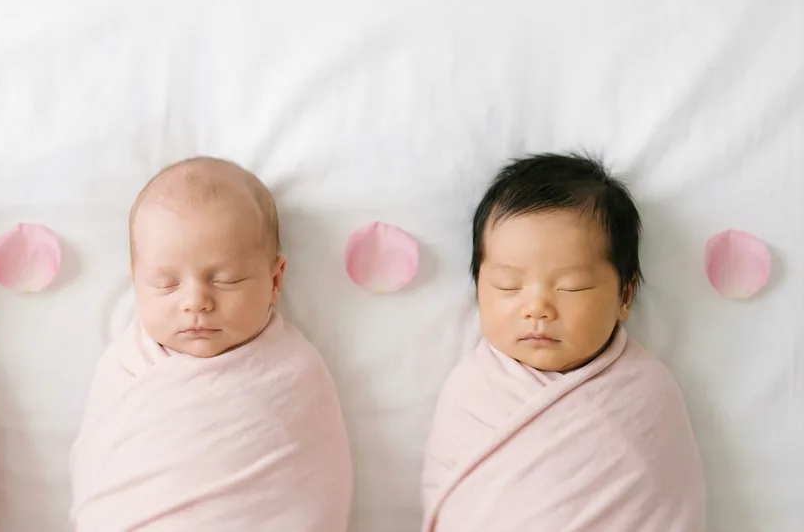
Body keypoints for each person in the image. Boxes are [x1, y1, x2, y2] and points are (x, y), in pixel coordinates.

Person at [421, 152, 706, 531]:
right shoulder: (470, 391)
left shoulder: (646, 394)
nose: (537, 308)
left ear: (625, 296)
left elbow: (667, 502)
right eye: (508, 286)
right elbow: (448, 502)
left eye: (572, 287)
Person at [70, 156, 354, 531]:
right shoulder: (124, 366)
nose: (196, 302)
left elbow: (315, 482)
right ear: (136, 281)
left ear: (274, 280)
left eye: (226, 280)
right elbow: (99, 471)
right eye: (166, 284)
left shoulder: (293, 373)